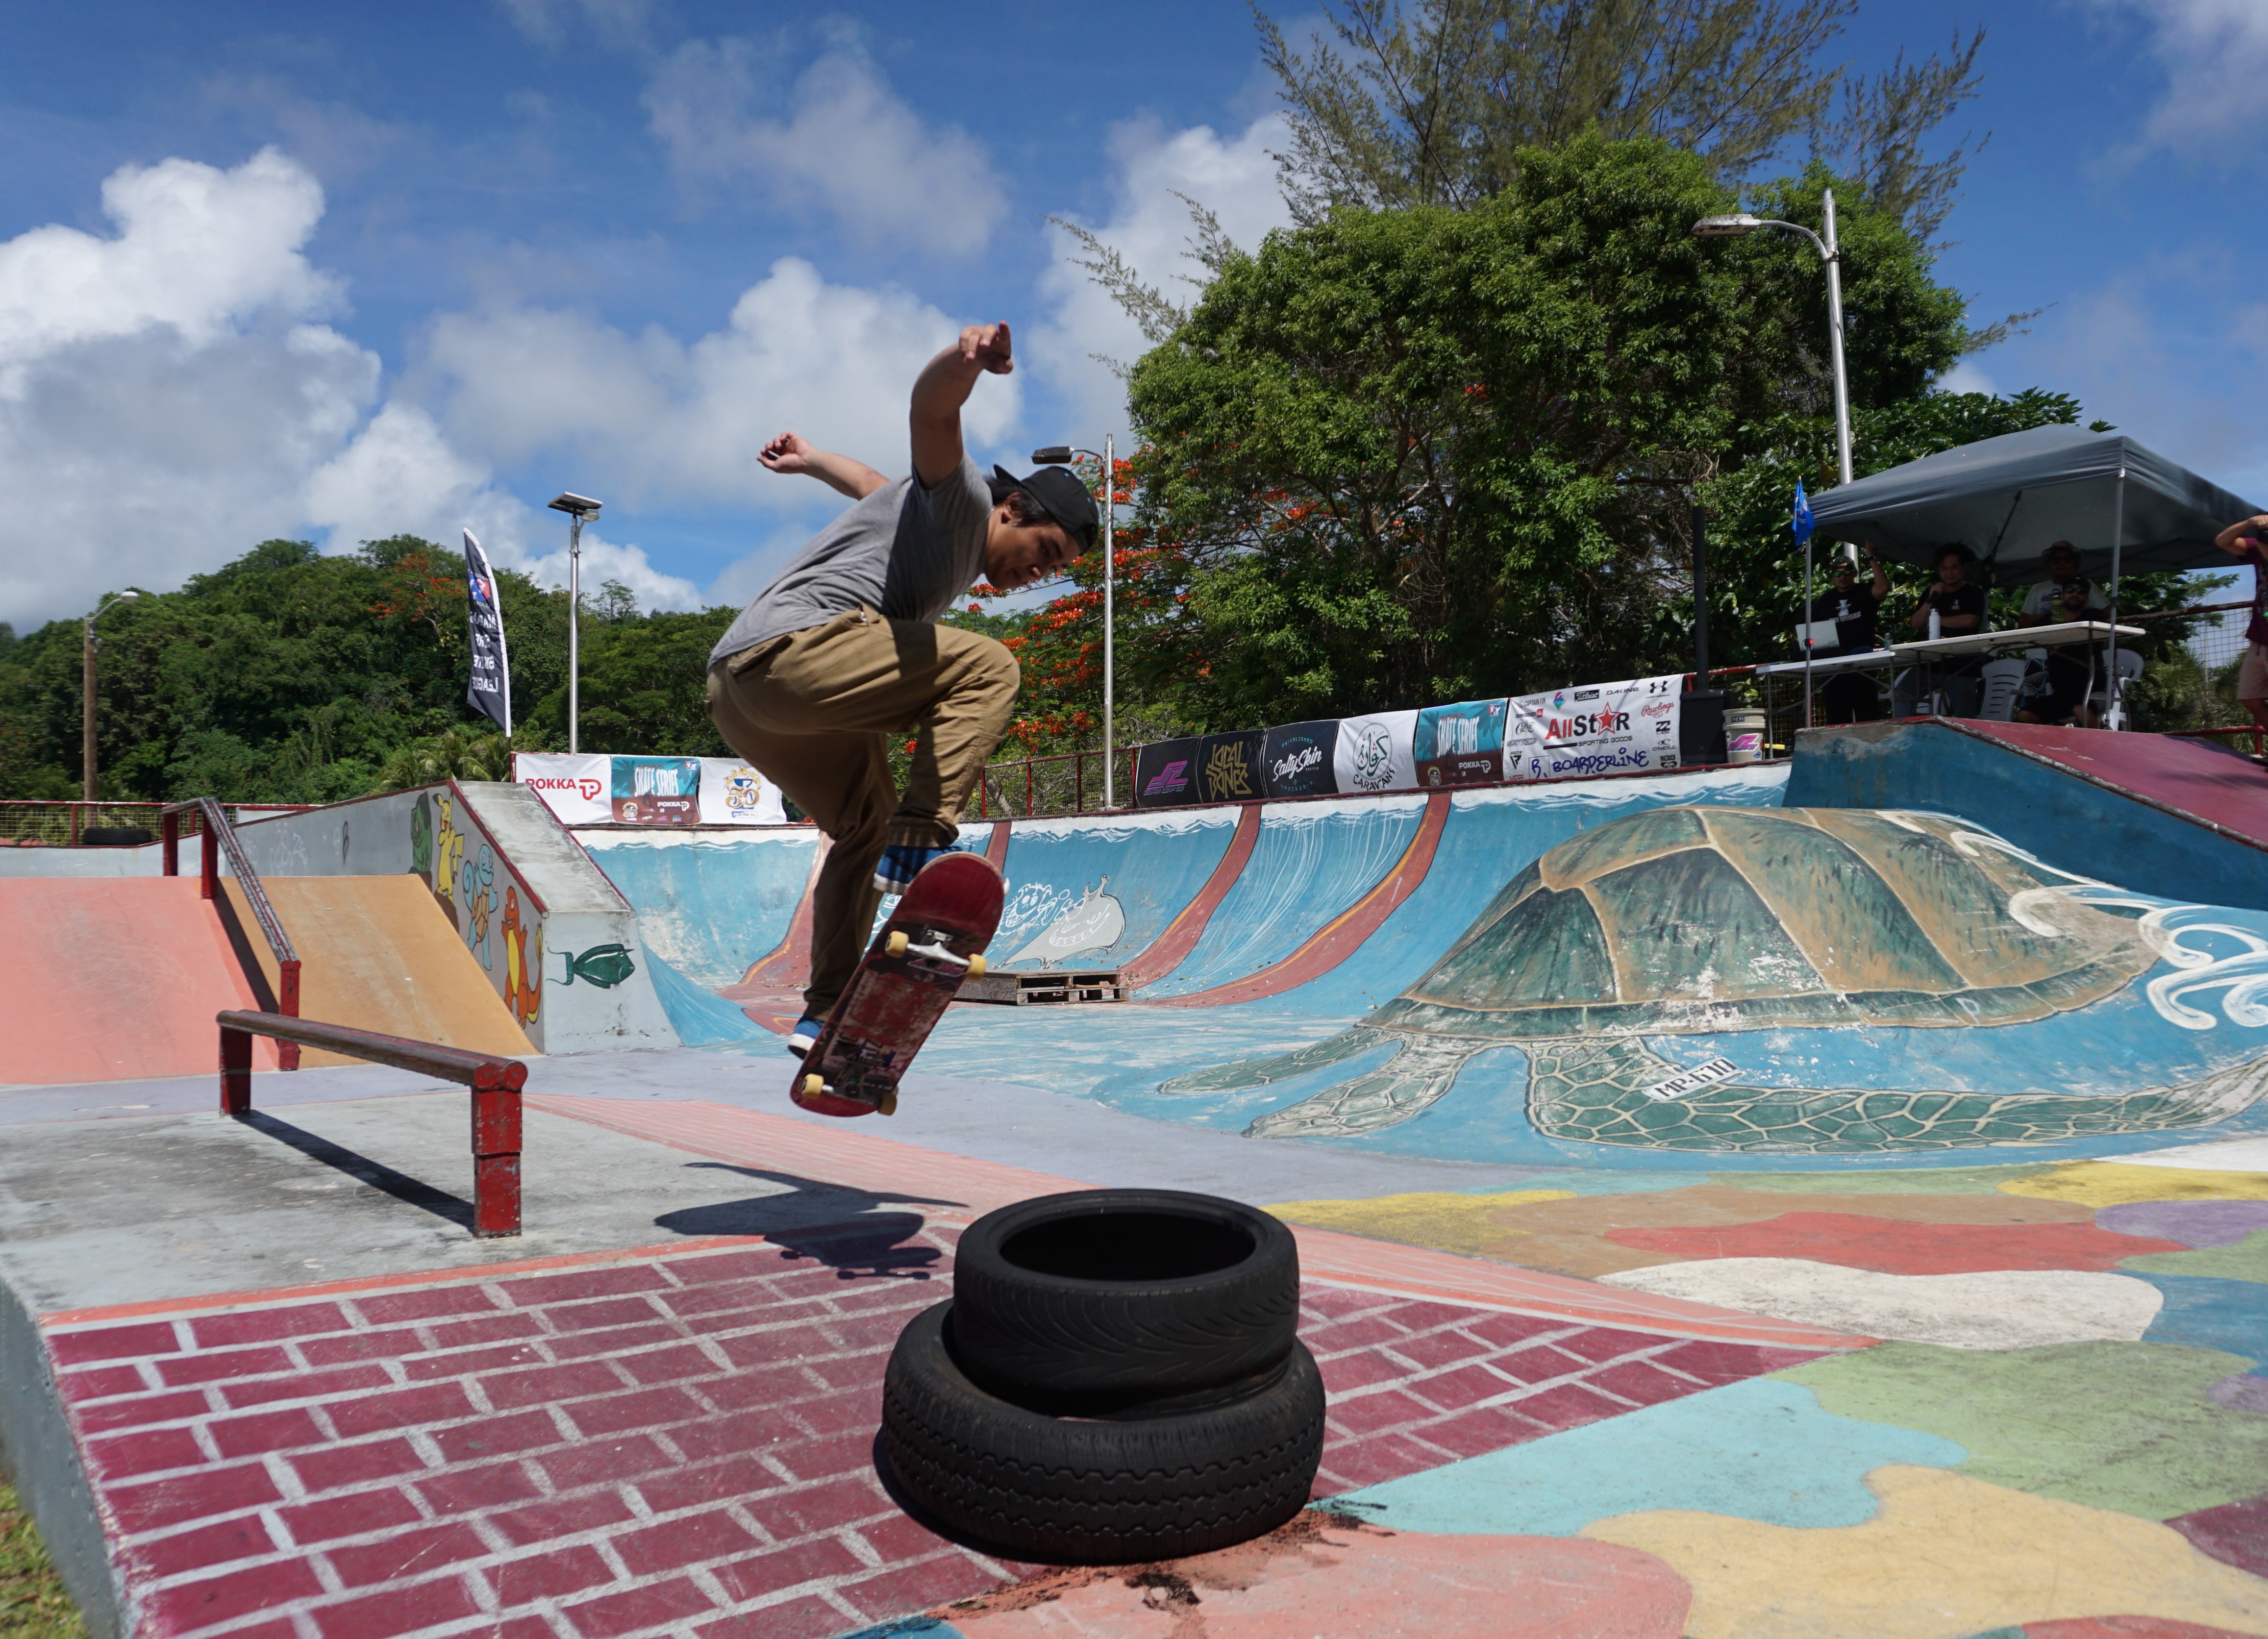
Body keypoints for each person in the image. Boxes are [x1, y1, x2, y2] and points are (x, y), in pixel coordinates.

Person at [704, 322, 1098, 1056]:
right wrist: (964, 361)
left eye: (1055, 570)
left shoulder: (921, 519)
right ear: (1010, 510)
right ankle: (921, 838)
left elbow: (867, 484)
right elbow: (932, 415)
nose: (1036, 574)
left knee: (862, 826)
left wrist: (812, 459)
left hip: (740, 696)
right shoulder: (962, 501)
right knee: (990, 667)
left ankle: (823, 1013)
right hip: (793, 656)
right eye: (1042, 552)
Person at [2014, 539, 2109, 726]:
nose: (2074, 594)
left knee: (2080, 710)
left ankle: (2094, 749)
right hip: (2059, 689)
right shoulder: (2049, 614)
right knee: (2025, 715)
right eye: (2070, 591)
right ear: (2062, 595)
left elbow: (2107, 614)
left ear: (2087, 597)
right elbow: (2023, 624)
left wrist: (2061, 641)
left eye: (2080, 591)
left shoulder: (2092, 615)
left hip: (2089, 690)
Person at [1895, 543, 1990, 717]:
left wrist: (1935, 621)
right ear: (1939, 570)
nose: (1949, 573)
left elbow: (1970, 621)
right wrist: (1931, 599)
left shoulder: (1972, 592)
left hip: (1961, 665)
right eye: (1944, 568)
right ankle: (1904, 735)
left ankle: (1967, 742)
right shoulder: (1931, 592)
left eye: (1954, 568)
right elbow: (1916, 624)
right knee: (1902, 693)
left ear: (1963, 569)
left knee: (1965, 714)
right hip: (1930, 665)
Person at [1804, 542, 1892, 723]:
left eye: (1846, 572)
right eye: (1837, 573)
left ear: (1854, 574)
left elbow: (1883, 588)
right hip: (1833, 666)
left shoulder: (1864, 592)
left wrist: (1871, 557)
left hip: (1861, 663)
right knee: (1836, 720)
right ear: (1832, 577)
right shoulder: (1824, 601)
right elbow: (1812, 632)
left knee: (1867, 718)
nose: (1842, 577)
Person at [2215, 512, 2268, 739]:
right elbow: (2222, 541)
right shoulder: (2257, 551)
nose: (2264, 550)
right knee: (2250, 697)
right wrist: (2249, 523)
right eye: (2262, 544)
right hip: (2259, 641)